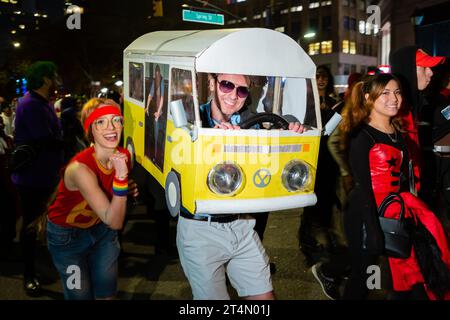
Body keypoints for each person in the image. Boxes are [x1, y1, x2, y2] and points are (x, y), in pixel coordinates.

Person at [314, 73, 450, 300]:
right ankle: (330, 271)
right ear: (368, 97)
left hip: (396, 209)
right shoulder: (361, 135)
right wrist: (373, 228)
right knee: (364, 277)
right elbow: (363, 187)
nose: (393, 98)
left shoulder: (398, 131)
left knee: (412, 272)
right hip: (364, 212)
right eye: (385, 93)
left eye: (397, 92)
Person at [177, 73, 304, 300]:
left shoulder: (250, 122)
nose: (234, 95)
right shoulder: (191, 119)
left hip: (242, 224)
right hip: (201, 229)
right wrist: (213, 143)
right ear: (212, 83)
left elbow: (270, 166)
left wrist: (289, 136)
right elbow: (179, 164)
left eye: (242, 90)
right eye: (227, 85)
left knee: (264, 299)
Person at [46, 98, 138, 300]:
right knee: (80, 297)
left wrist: (126, 191)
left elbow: (114, 211)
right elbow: (115, 220)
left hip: (102, 231)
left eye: (116, 120)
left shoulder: (123, 156)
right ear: (90, 130)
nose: (111, 127)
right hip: (66, 239)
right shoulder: (80, 169)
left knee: (107, 295)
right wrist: (122, 180)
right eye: (101, 122)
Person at [11, 61, 65, 297]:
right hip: (33, 176)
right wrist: (66, 138)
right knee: (32, 226)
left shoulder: (41, 103)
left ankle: (36, 270)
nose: (56, 80)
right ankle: (29, 275)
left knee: (41, 224)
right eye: (52, 76)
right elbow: (45, 139)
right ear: (44, 79)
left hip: (44, 173)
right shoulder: (31, 104)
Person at [298, 65, 343, 266]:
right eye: (317, 77)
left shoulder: (336, 103)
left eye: (324, 77)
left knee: (327, 198)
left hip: (330, 158)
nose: (321, 80)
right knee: (311, 201)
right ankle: (307, 239)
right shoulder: (305, 103)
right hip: (312, 156)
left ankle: (327, 236)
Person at [389, 47, 446, 202]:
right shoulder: (393, 109)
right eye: (424, 67)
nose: (431, 73)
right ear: (407, 69)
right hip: (398, 199)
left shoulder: (413, 104)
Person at [145, 64, 165, 166]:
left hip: (160, 113)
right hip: (156, 112)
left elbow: (162, 98)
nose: (156, 75)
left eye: (157, 73)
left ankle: (157, 158)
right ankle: (155, 157)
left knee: (159, 137)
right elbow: (150, 95)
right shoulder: (155, 81)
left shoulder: (161, 81)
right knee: (155, 135)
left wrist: (159, 112)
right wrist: (147, 107)